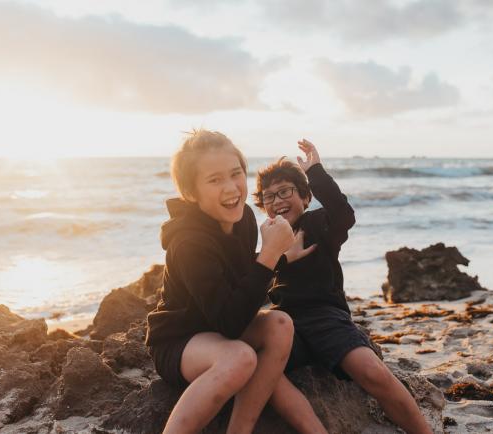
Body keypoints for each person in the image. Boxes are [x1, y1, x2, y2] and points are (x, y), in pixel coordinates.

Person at [145, 130, 327, 434]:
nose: (231, 188)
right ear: (192, 191)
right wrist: (269, 254)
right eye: (214, 180)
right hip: (180, 342)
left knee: (280, 324)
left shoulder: (241, 218)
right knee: (241, 358)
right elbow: (229, 322)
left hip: (220, 329)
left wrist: (279, 258)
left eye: (236, 174)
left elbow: (243, 279)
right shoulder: (189, 243)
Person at [253, 139, 433, 434]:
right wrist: (277, 257)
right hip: (284, 322)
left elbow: (343, 213)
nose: (276, 201)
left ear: (306, 197)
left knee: (372, 372)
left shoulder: (318, 222)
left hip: (326, 317)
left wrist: (316, 172)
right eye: (268, 197)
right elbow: (254, 275)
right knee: (258, 368)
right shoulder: (269, 235)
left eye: (284, 192)